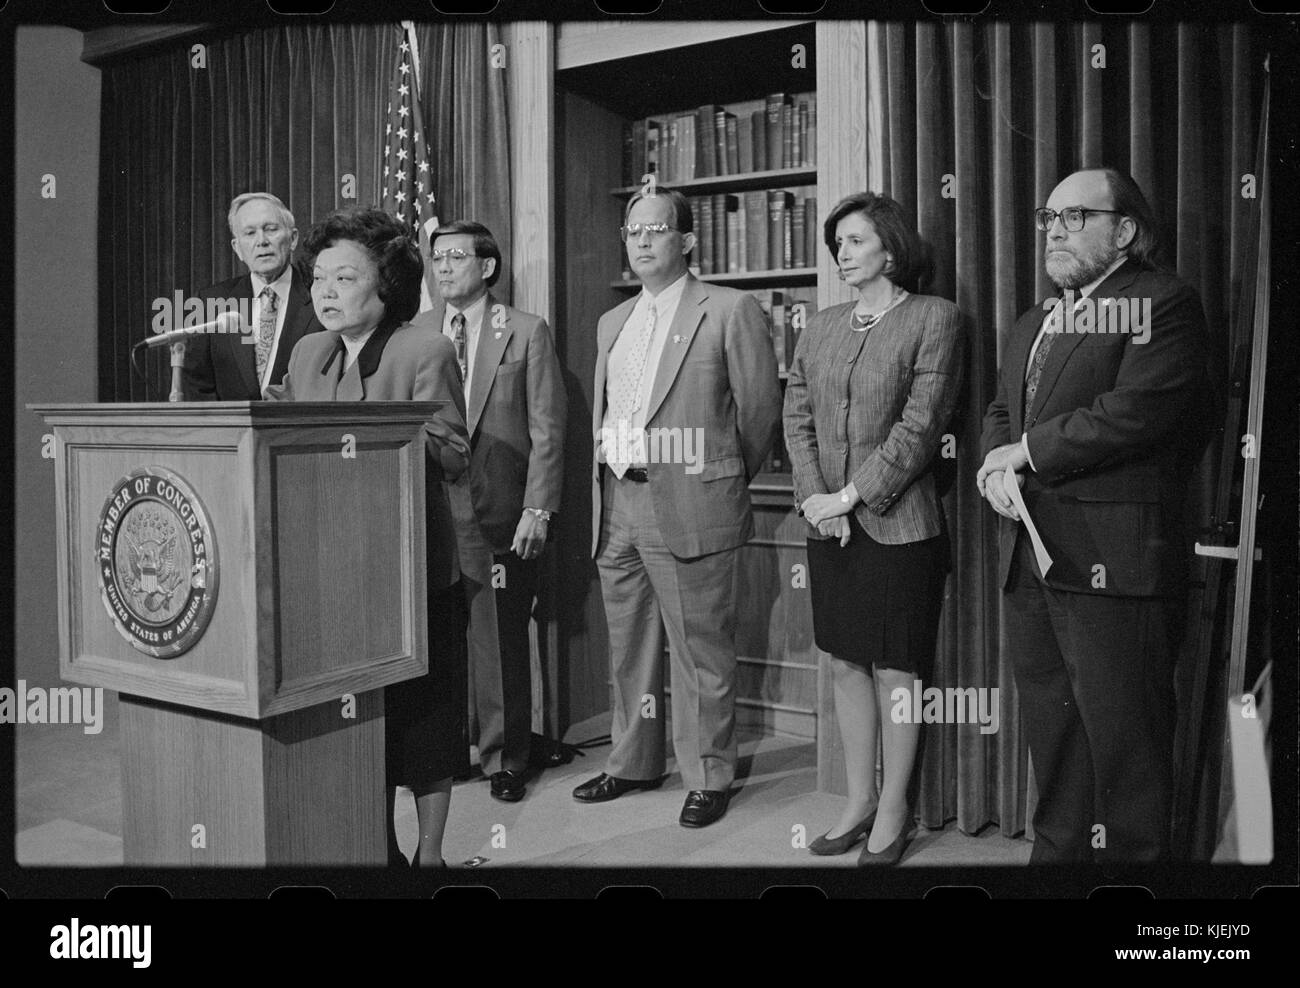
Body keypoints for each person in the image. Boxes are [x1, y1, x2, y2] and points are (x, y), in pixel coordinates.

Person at [977, 168, 1212, 863]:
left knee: (1127, 749)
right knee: (1054, 735)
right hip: (1033, 559)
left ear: (1126, 231)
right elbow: (1001, 412)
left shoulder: (1163, 303)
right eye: (1049, 216)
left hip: (1116, 563)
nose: (1054, 228)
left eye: (1075, 216)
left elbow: (1134, 413)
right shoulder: (1034, 319)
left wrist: (1024, 453)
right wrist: (996, 465)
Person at [264, 206, 471, 867]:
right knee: (357, 724)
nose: (323, 291)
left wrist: (382, 428)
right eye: (317, 278)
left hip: (410, 566)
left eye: (343, 277)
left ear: (386, 284)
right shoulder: (305, 352)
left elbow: (455, 452)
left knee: (423, 720)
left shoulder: (424, 349)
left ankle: (430, 855)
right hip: (328, 568)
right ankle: (368, 846)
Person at [572, 188, 781, 828]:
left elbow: (758, 414)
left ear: (686, 241)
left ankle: (709, 774)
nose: (640, 241)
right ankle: (632, 761)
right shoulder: (614, 321)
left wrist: (715, 478)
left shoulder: (729, 309)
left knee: (701, 651)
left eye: (656, 229)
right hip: (617, 503)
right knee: (629, 648)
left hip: (693, 502)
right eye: (632, 231)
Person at [784, 192, 963, 866]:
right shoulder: (822, 324)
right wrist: (813, 499)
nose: (841, 252)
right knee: (844, 662)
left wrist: (852, 495)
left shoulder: (935, 318)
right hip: (825, 524)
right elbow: (794, 414)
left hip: (898, 526)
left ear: (889, 247)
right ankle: (858, 801)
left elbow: (922, 428)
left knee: (895, 668)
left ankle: (895, 810)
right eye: (837, 243)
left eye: (854, 240)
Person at [410, 220, 566, 803]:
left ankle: (506, 756)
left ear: (488, 266)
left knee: (498, 638)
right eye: (437, 257)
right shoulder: (418, 330)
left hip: (500, 509)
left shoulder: (525, 332)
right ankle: (450, 753)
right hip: (429, 508)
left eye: (455, 256)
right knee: (436, 640)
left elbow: (548, 431)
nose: (443, 266)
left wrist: (539, 510)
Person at [184, 192, 324, 400]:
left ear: (293, 239)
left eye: (271, 229)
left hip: (297, 429)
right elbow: (198, 386)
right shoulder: (211, 301)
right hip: (231, 431)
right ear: (237, 248)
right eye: (250, 233)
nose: (262, 241)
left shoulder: (320, 294)